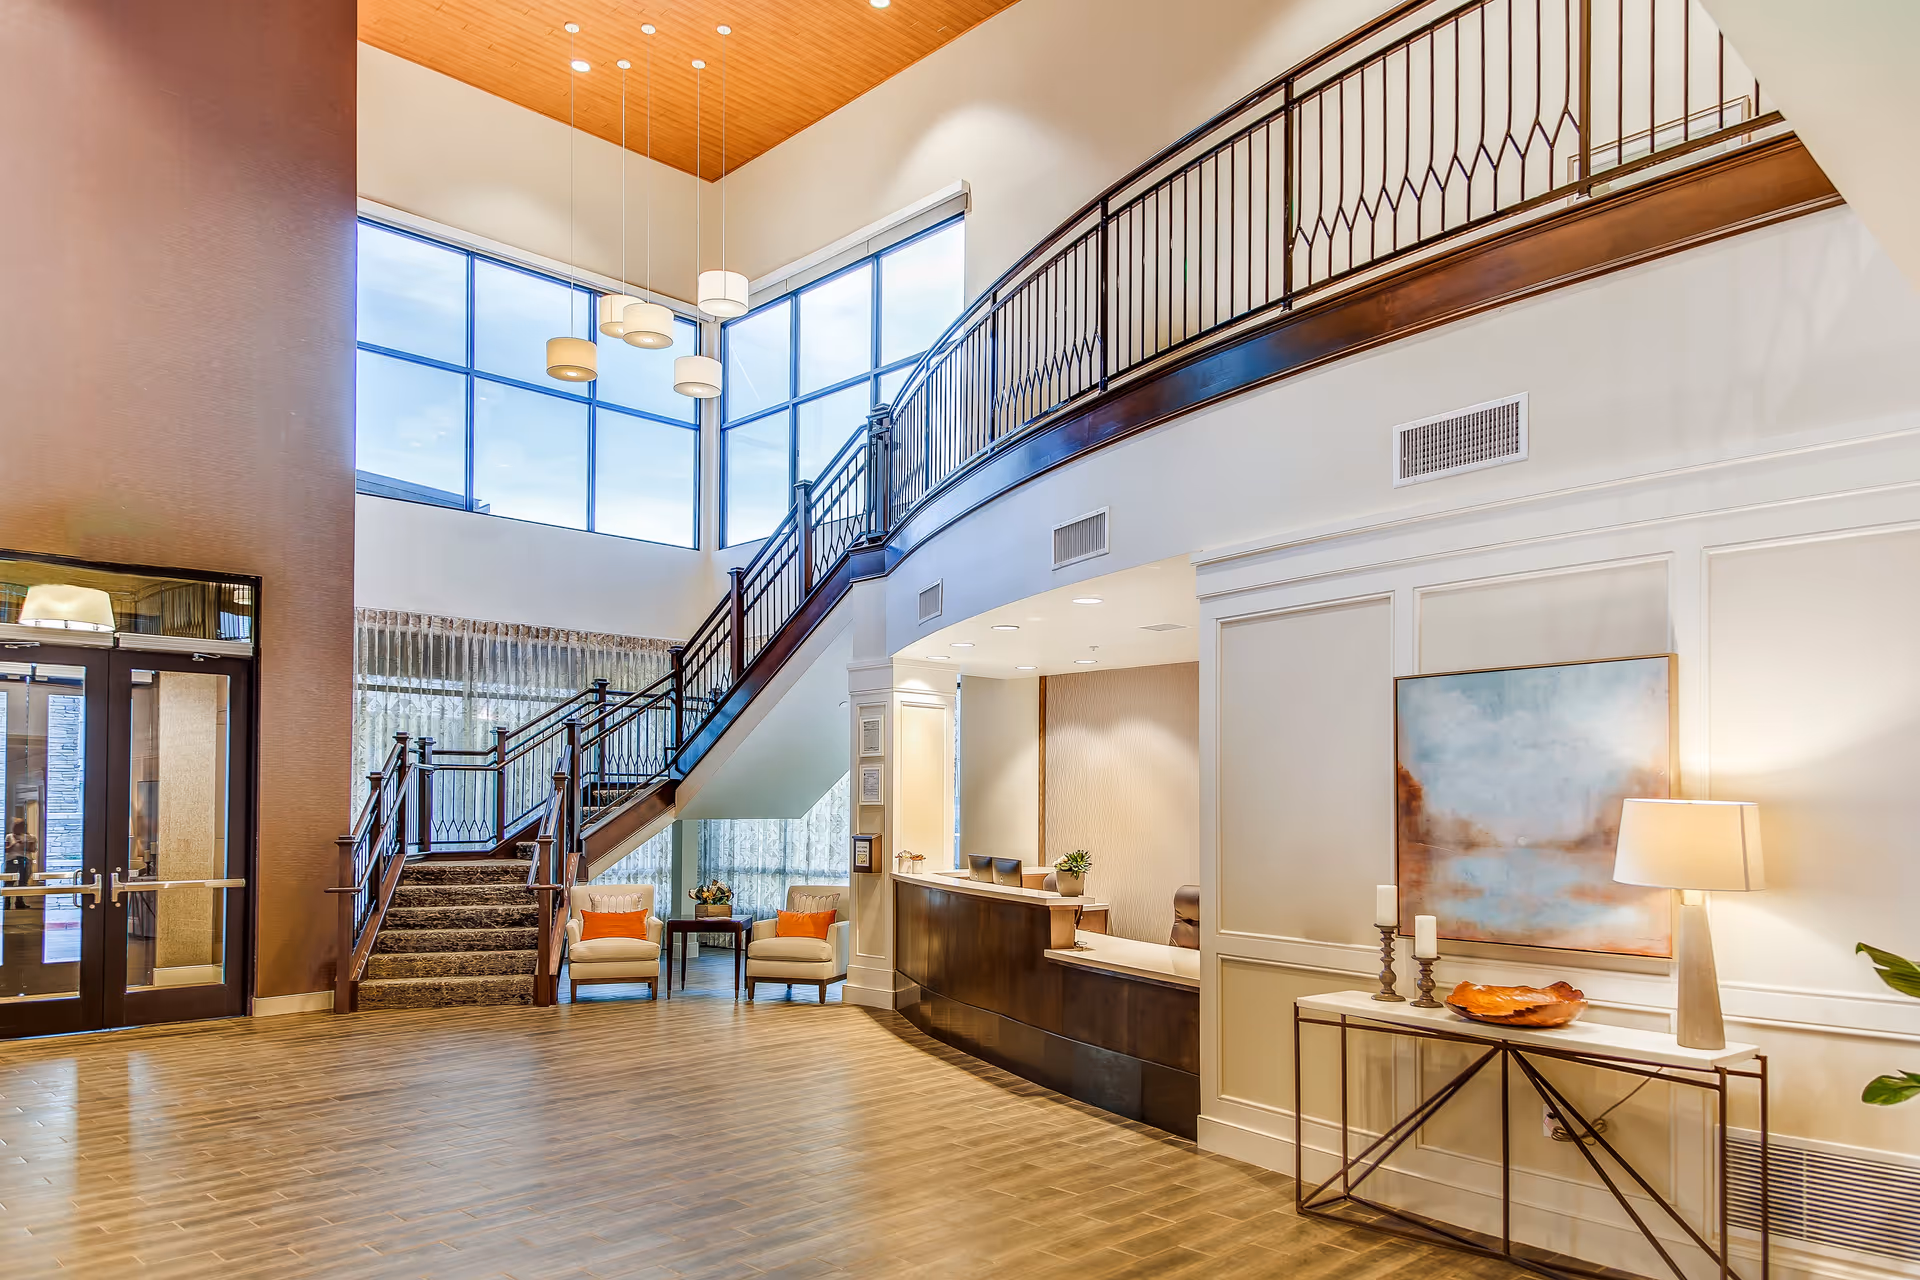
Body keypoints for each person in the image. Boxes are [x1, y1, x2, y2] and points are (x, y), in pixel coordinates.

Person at [5, 820, 38, 910]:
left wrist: (25, 844)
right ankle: (6, 902)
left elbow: (32, 849)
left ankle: (19, 901)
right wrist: (14, 844)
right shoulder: (9, 836)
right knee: (9, 881)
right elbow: (6, 849)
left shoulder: (30, 837)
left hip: (25, 859)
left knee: (23, 881)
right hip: (12, 859)